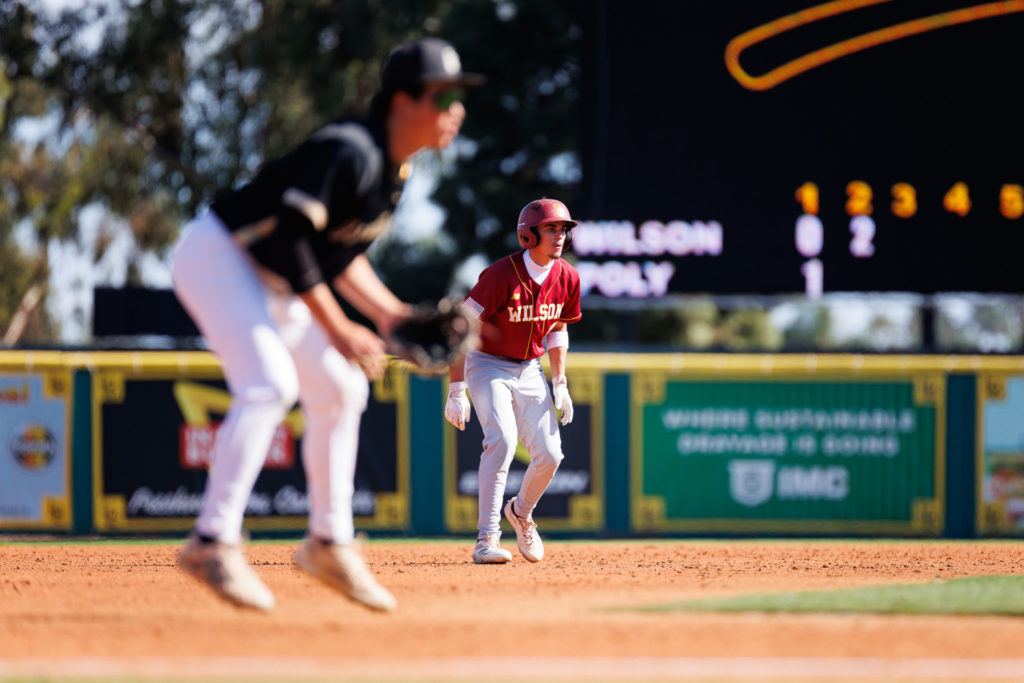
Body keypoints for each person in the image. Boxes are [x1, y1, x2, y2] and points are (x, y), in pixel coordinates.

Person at [171, 38, 483, 611]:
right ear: (401, 102)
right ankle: (211, 541)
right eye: (442, 98)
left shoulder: (394, 173)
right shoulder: (351, 151)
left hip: (271, 276)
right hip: (221, 256)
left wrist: (389, 314)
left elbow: (334, 255)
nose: (454, 111)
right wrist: (338, 327)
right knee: (269, 384)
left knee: (341, 388)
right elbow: (292, 239)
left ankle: (328, 543)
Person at [444, 198, 582, 564]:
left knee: (551, 456)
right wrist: (457, 389)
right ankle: (486, 538)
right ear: (527, 235)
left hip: (531, 368)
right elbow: (460, 327)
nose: (560, 235)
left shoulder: (567, 275)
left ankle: (521, 514)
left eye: (563, 229)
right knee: (502, 440)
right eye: (551, 228)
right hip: (487, 364)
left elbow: (557, 328)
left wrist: (561, 382)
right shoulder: (500, 275)